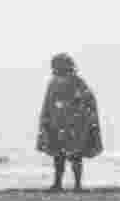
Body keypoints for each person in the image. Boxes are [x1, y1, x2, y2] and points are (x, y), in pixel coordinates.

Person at [36, 53, 103, 191]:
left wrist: (78, 113)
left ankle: (76, 184)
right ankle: (59, 183)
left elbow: (87, 100)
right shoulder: (54, 83)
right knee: (59, 156)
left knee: (74, 156)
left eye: (56, 65)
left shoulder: (77, 82)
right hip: (58, 126)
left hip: (73, 126)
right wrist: (46, 122)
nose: (54, 68)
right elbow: (48, 104)